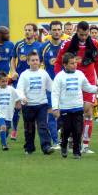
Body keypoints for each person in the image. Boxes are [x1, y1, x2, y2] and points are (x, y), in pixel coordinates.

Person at [54, 21, 98, 154]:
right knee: (72, 114)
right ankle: (70, 138)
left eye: (86, 35)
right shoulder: (68, 43)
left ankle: (85, 144)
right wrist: (60, 78)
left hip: (89, 81)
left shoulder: (94, 44)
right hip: (72, 81)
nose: (84, 37)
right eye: (81, 34)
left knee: (88, 112)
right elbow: (58, 62)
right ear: (77, 31)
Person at [52, 52, 98, 159]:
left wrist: (97, 89)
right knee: (67, 130)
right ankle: (63, 145)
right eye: (72, 63)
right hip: (65, 108)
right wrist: (55, 107)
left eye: (75, 63)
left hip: (77, 107)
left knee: (77, 130)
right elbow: (55, 93)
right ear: (65, 65)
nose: (75, 65)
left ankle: (76, 152)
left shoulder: (80, 74)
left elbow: (87, 87)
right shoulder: (59, 77)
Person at [17, 51, 54, 155]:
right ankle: (29, 148)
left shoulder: (44, 73)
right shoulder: (24, 75)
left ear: (39, 61)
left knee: (43, 126)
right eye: (32, 60)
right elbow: (19, 89)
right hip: (28, 106)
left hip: (42, 104)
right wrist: (23, 97)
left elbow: (51, 87)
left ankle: (46, 146)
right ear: (28, 62)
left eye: (37, 60)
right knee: (29, 128)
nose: (35, 62)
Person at [10, 23, 43, 141]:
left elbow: (41, 62)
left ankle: (32, 130)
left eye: (30, 30)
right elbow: (13, 59)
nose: (27, 32)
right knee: (17, 106)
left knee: (32, 105)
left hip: (33, 80)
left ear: (34, 32)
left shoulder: (40, 46)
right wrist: (13, 71)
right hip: (19, 80)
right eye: (26, 30)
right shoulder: (19, 45)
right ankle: (14, 130)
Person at [41, 20, 65, 148]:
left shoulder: (66, 46)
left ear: (62, 31)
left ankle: (65, 140)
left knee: (66, 115)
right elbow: (36, 65)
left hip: (66, 87)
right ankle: (55, 142)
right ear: (50, 31)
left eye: (58, 29)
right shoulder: (43, 48)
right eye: (54, 29)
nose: (56, 32)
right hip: (50, 87)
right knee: (51, 114)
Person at [0, 72, 22, 151]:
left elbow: (17, 98)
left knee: (7, 128)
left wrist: (19, 105)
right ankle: (4, 145)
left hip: (9, 113)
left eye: (6, 81)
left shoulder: (11, 89)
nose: (5, 83)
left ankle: (3, 139)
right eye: (2, 81)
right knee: (3, 126)